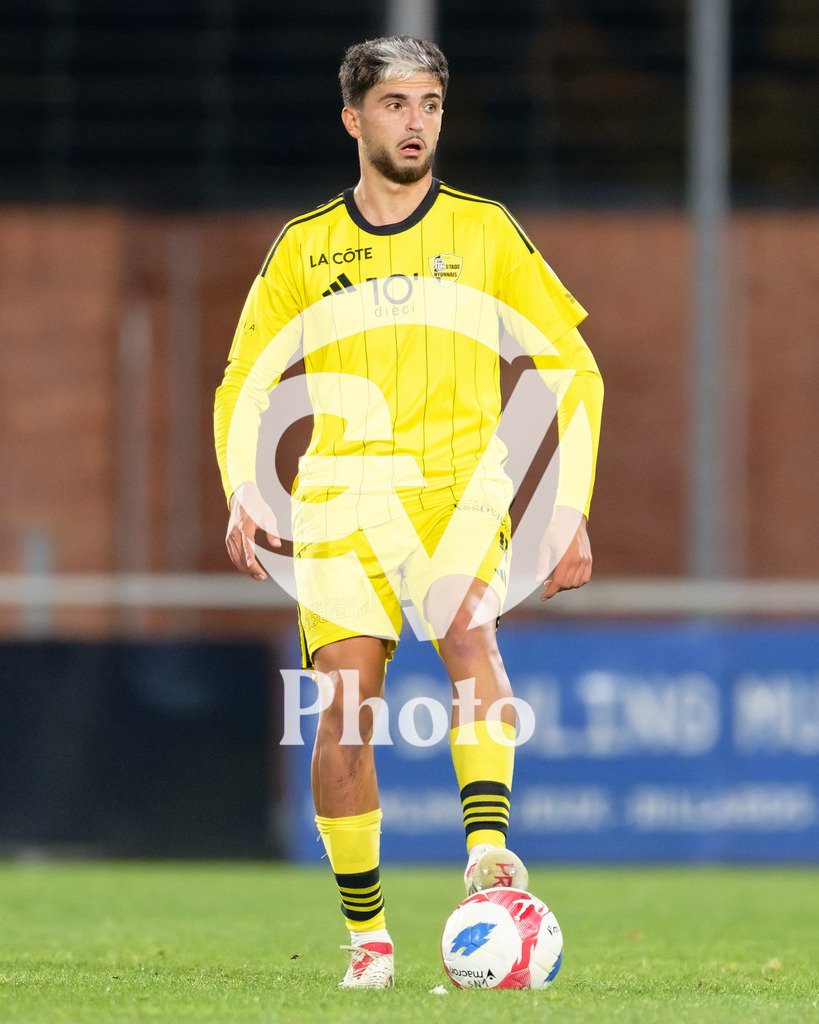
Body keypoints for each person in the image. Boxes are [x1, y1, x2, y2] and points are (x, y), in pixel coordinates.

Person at [214, 36, 603, 989]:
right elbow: (245, 380)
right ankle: (370, 941)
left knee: (470, 633)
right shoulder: (306, 247)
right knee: (342, 708)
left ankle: (486, 854)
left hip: (462, 486)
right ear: (353, 119)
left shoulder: (486, 231)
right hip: (342, 500)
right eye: (394, 105)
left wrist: (568, 505)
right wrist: (242, 485)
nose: (415, 122)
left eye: (428, 103)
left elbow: (571, 367)